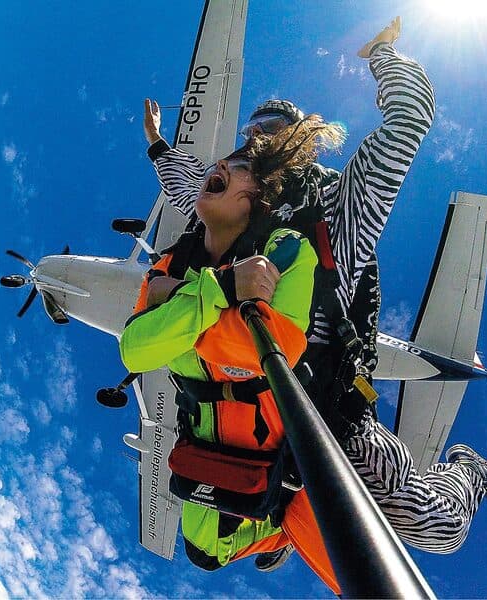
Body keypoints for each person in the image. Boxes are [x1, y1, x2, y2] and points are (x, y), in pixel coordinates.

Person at [141, 15, 487, 574]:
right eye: (253, 127)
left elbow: (409, 119)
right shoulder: (236, 202)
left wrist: (383, 55)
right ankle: (277, 532)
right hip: (243, 399)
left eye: (274, 127)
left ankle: (466, 469)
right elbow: (189, 185)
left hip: (328, 410)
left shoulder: (339, 209)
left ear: (304, 141)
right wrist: (159, 147)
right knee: (204, 538)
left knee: (439, 526)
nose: (257, 136)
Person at [121, 117, 348, 594]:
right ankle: (272, 537)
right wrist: (223, 288)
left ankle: (284, 530)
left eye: (240, 166)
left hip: (287, 461)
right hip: (205, 444)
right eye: (226, 160)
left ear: (258, 198)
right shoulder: (168, 262)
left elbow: (267, 350)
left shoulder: (288, 249)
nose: (222, 163)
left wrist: (177, 310)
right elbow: (134, 352)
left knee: (357, 569)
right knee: (202, 553)